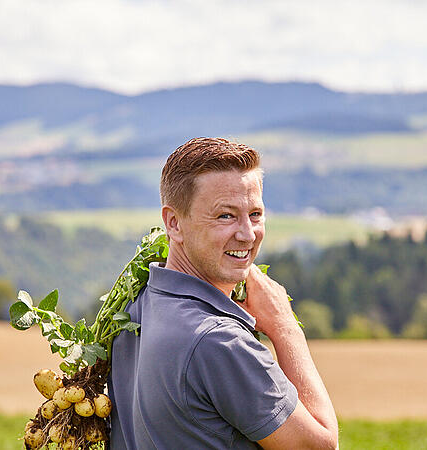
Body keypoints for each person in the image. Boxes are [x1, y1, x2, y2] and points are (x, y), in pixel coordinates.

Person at [108, 137, 338, 449]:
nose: (247, 234)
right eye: (225, 216)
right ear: (173, 223)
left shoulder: (136, 308)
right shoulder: (218, 341)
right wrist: (284, 326)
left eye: (255, 214)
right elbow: (321, 446)